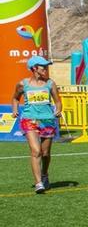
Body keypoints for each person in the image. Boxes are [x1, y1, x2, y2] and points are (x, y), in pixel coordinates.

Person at [11, 55, 61, 193]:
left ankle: (44, 174)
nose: (46, 69)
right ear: (34, 69)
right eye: (43, 67)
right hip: (29, 119)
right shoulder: (23, 84)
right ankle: (38, 183)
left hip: (47, 120)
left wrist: (58, 110)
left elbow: (57, 101)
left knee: (45, 154)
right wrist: (15, 110)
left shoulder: (50, 83)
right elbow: (15, 98)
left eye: (46, 66)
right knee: (36, 151)